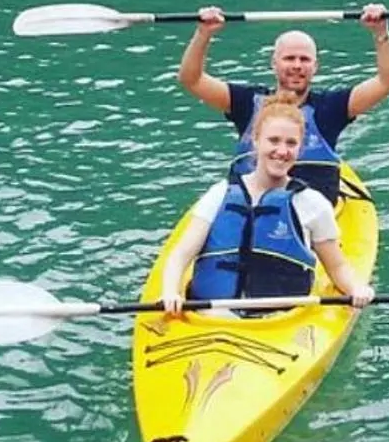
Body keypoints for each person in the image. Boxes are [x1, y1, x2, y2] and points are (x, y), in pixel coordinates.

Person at [157, 98, 375, 317]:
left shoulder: (313, 205)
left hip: (279, 321)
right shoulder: (220, 193)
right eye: (273, 140)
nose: (282, 151)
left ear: (300, 148)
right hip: (210, 316)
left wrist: (356, 288)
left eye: (291, 143)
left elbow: (337, 267)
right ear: (256, 140)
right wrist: (170, 292)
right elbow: (180, 255)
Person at [175, 1, 389, 200]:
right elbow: (191, 79)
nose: (296, 66)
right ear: (274, 64)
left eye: (304, 59)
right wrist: (203, 34)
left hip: (310, 218)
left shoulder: (331, 107)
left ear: (315, 67)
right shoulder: (246, 102)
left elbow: (387, 82)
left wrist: (381, 33)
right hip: (250, 206)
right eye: (289, 58)